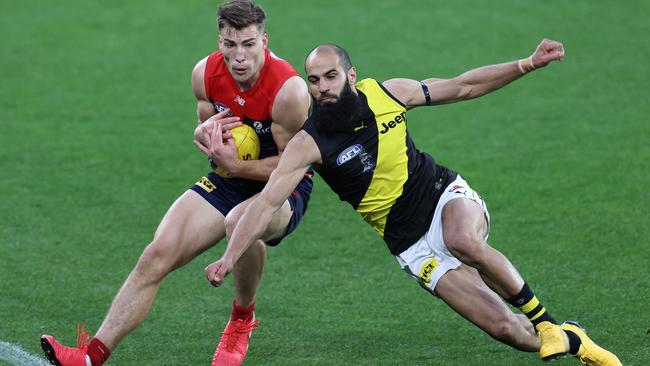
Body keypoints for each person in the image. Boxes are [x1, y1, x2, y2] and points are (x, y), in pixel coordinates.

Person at [199, 42, 622, 365]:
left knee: (463, 241)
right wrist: (229, 256)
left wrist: (527, 63)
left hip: (443, 196)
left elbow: (463, 85)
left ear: (351, 74)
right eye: (314, 80)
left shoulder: (389, 93)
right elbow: (268, 201)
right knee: (508, 331)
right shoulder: (308, 143)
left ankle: (546, 319)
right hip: (409, 243)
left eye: (330, 77)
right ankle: (571, 337)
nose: (322, 88)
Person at [40, 1, 313, 365]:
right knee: (155, 256)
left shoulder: (288, 91)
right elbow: (208, 134)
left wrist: (238, 165)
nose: (239, 56)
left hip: (283, 188)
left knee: (239, 223)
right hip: (231, 176)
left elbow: (295, 165)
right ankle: (90, 358)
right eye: (230, 45)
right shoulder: (205, 74)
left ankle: (241, 321)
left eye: (248, 44)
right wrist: (205, 137)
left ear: (265, 40)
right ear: (220, 40)